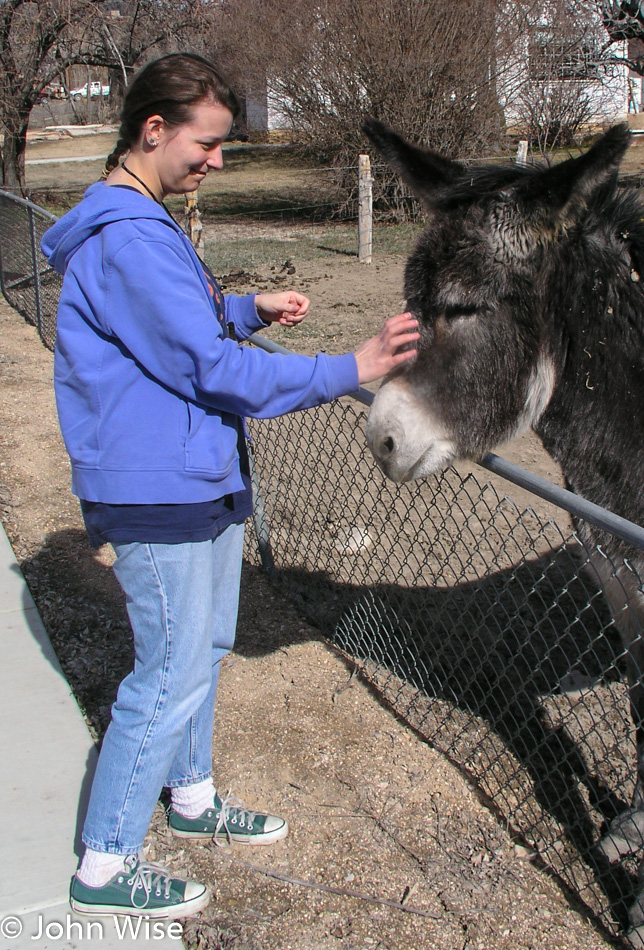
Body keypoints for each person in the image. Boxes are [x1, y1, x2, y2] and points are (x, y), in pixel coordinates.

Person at [40, 51, 419, 920]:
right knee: (166, 674)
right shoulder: (128, 234)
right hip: (155, 489)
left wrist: (247, 308)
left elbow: (174, 322)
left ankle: (194, 799)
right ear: (154, 129)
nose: (217, 161)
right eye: (208, 144)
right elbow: (211, 372)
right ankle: (104, 867)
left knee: (203, 649)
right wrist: (348, 367)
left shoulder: (147, 217)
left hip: (194, 475)